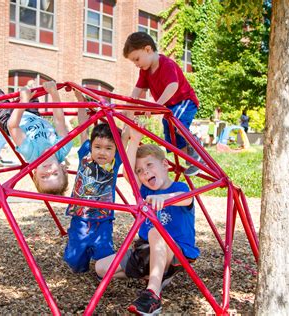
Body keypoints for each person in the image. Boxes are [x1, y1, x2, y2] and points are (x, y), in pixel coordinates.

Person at [95, 127, 200, 315]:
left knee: (155, 231)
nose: (145, 173)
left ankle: (153, 294)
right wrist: (133, 140)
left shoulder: (179, 187)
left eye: (150, 166)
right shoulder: (145, 191)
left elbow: (187, 198)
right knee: (101, 268)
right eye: (140, 171)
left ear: (165, 165)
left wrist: (167, 198)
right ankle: (158, 274)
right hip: (146, 250)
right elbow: (128, 171)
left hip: (177, 252)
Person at [0, 80, 72, 194]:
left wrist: (24, 101)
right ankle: (24, 94)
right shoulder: (63, 148)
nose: (48, 170)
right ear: (63, 170)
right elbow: (59, 121)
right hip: (32, 115)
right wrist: (54, 93)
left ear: (35, 174)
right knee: (31, 85)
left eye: (44, 176)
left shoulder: (31, 153)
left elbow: (13, 126)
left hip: (10, 118)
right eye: (55, 174)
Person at [123, 31, 202, 176]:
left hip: (184, 101)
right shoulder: (145, 71)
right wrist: (128, 107)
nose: (136, 64)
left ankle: (198, 149)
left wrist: (155, 105)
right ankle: (192, 159)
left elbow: (173, 87)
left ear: (148, 49)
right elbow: (137, 91)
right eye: (133, 61)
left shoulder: (166, 64)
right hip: (170, 106)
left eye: (137, 59)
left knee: (176, 123)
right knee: (171, 137)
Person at [63, 102, 130, 273]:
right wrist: (79, 99)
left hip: (103, 219)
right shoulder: (85, 154)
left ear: (116, 150)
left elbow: (125, 136)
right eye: (98, 147)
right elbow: (82, 125)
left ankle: (106, 270)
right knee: (74, 259)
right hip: (80, 216)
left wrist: (129, 113)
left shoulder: (116, 162)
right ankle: (80, 264)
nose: (102, 152)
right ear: (91, 146)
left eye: (109, 148)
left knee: (105, 252)